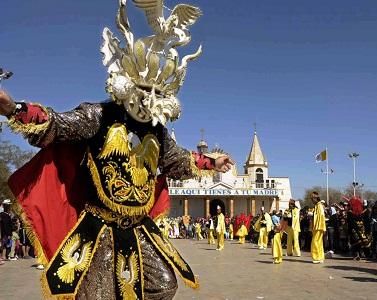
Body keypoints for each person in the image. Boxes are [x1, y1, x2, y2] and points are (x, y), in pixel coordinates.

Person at [0, 1, 235, 298]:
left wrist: (212, 163)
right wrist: (12, 108)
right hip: (99, 229)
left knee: (163, 285)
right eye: (146, 93)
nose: (151, 102)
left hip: (139, 226)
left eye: (158, 95)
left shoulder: (156, 130)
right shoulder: (98, 115)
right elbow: (55, 125)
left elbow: (178, 160)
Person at [310, 192, 326, 263]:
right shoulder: (317, 205)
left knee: (315, 242)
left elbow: (322, 216)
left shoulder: (319, 205)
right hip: (317, 226)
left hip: (318, 226)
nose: (311, 200)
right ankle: (320, 257)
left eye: (312, 198)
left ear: (315, 198)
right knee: (319, 242)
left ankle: (316, 258)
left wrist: (322, 227)